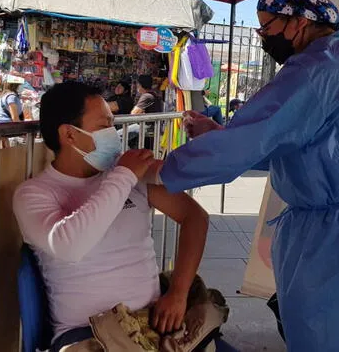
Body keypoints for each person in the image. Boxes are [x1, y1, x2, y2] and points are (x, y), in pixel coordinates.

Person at [146, 0, 339, 351]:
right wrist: (220, 134)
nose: (264, 38)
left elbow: (254, 139)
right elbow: (299, 144)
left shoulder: (322, 66)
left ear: (298, 22)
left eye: (267, 28)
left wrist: (159, 171)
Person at [13, 82, 209, 352]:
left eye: (112, 124)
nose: (113, 134)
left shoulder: (133, 174)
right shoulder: (35, 194)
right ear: (69, 135)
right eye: (104, 126)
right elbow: (71, 246)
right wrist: (124, 176)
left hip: (152, 323)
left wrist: (178, 292)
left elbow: (195, 217)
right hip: (89, 335)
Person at [0, 73, 25, 149]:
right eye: (20, 84)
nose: (21, 86)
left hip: (0, 125)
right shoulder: (11, 97)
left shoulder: (6, 95)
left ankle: (4, 157)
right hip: (5, 127)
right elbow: (14, 117)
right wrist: (21, 130)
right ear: (15, 85)